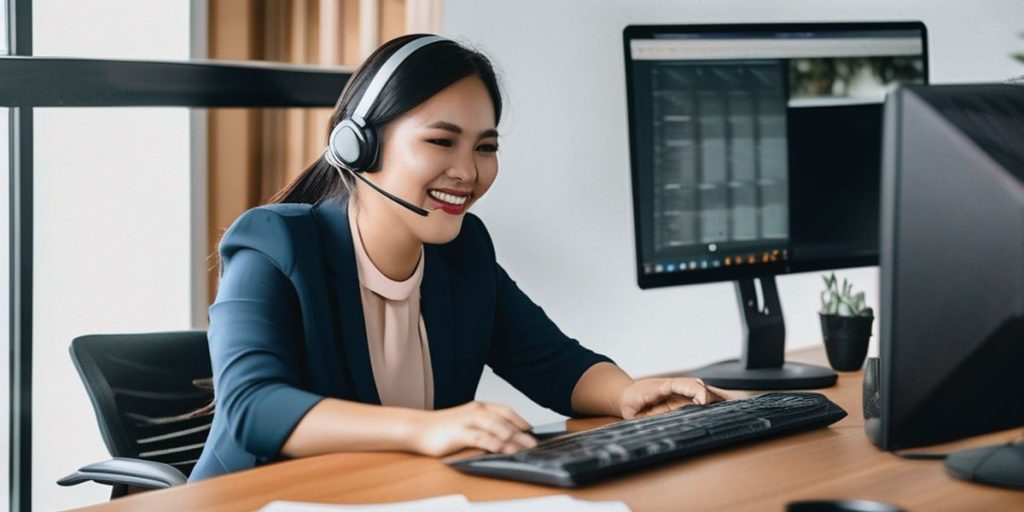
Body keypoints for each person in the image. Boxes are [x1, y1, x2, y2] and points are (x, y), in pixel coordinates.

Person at [189, 34, 723, 482]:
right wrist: (423, 429)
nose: (468, 172)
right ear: (358, 146)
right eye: (442, 142)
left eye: (485, 147)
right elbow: (251, 409)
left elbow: (552, 363)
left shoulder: (462, 251)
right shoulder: (274, 243)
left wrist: (628, 393)